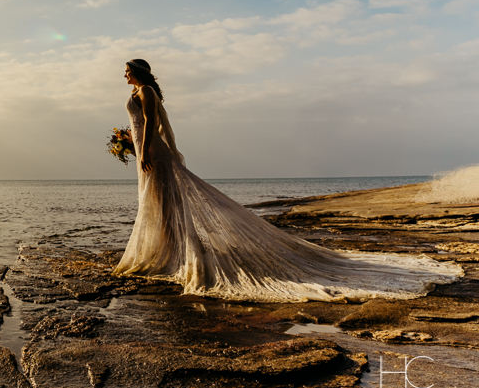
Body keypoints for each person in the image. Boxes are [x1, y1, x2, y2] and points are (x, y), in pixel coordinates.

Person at [112, 58, 462, 302]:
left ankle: (177, 253)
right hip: (149, 153)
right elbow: (139, 128)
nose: (124, 76)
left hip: (154, 155)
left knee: (168, 204)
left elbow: (153, 127)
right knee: (160, 207)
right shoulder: (138, 93)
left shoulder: (147, 93)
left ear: (138, 72)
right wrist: (129, 143)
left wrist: (143, 152)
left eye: (127, 71)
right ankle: (169, 251)